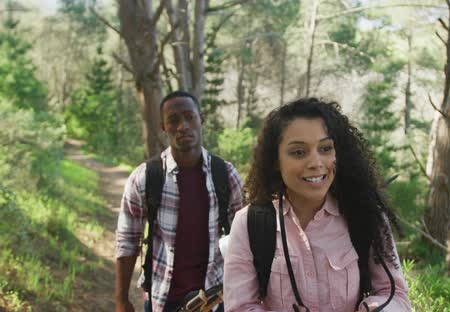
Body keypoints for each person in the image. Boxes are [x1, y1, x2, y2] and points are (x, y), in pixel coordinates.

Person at [223, 98, 411, 311]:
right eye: (298, 152)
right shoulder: (249, 224)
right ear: (276, 160)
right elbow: (240, 306)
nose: (316, 163)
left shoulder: (365, 216)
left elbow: (395, 296)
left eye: (325, 148)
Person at [115, 91, 244, 312]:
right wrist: (121, 299)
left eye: (189, 117)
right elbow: (127, 242)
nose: (183, 126)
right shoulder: (145, 177)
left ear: (201, 120)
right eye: (173, 120)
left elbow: (243, 240)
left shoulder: (225, 175)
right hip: (163, 299)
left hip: (216, 299)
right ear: (163, 127)